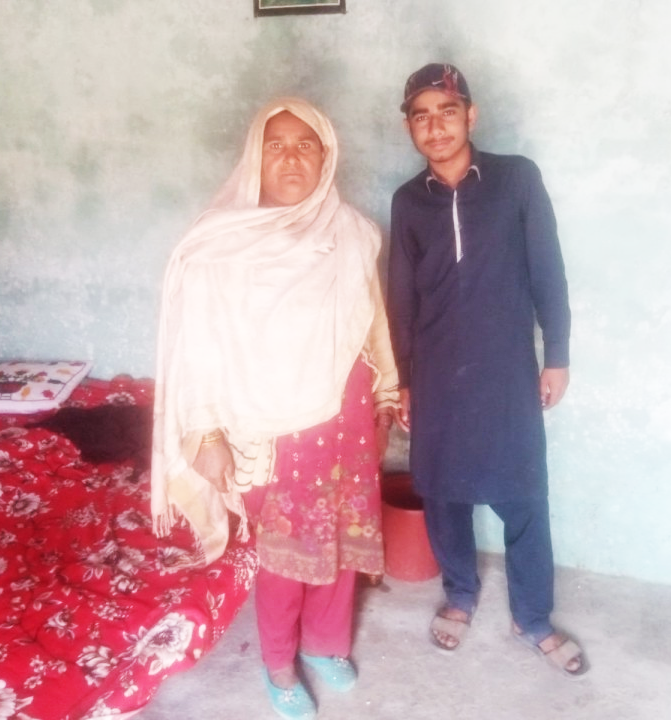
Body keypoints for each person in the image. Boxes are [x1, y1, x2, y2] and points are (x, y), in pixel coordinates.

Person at [151, 98, 400, 720]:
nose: (291, 157)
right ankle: (279, 662)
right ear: (254, 156)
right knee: (285, 552)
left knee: (340, 539)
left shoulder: (355, 233)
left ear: (327, 156)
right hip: (269, 424)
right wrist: (206, 432)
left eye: (305, 144)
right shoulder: (219, 242)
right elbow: (200, 345)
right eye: (276, 144)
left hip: (344, 415)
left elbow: (374, 325)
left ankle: (324, 645)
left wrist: (387, 393)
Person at [386, 63, 588, 678]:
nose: (435, 126)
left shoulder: (515, 180)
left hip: (505, 369)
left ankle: (533, 618)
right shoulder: (407, 201)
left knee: (523, 494)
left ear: (470, 115)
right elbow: (400, 298)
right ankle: (461, 596)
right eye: (421, 115)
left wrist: (557, 355)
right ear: (409, 127)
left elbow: (548, 271)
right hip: (437, 369)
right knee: (444, 491)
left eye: (447, 110)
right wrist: (403, 379)